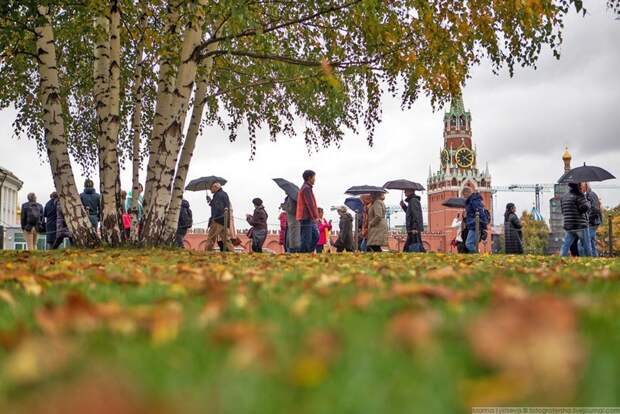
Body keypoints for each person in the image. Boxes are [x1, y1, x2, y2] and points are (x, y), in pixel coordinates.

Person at [560, 182, 592, 257]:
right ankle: (591, 260)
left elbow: (563, 211)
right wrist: (588, 203)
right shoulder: (579, 195)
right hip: (580, 226)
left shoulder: (564, 197)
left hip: (569, 226)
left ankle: (561, 259)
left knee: (565, 246)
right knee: (587, 246)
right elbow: (583, 209)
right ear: (578, 185)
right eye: (580, 184)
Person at [205, 182, 233, 252]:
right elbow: (219, 205)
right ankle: (232, 252)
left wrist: (214, 218)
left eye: (211, 188)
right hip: (224, 219)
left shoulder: (218, 195)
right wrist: (210, 201)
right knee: (226, 239)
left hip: (218, 219)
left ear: (215, 187)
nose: (210, 190)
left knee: (211, 237)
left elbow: (219, 207)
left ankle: (207, 252)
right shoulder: (223, 194)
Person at [296, 170, 320, 253]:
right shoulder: (306, 188)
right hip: (305, 217)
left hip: (308, 217)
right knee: (306, 239)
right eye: (314, 177)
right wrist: (316, 217)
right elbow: (310, 204)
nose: (315, 179)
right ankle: (302, 255)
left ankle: (308, 253)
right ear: (309, 178)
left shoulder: (307, 187)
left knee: (315, 236)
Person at [462, 186, 489, 253]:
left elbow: (480, 212)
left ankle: (478, 256)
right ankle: (476, 257)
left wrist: (483, 224)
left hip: (475, 224)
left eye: (464, 195)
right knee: (473, 243)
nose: (464, 197)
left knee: (469, 244)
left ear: (467, 193)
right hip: (473, 224)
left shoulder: (474, 200)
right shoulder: (472, 200)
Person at [584, 183, 602, 257]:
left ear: (585, 186)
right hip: (592, 221)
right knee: (591, 242)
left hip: (593, 221)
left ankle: (589, 257)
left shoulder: (591, 194)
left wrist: (588, 219)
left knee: (585, 241)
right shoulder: (587, 195)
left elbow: (595, 209)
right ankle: (594, 257)